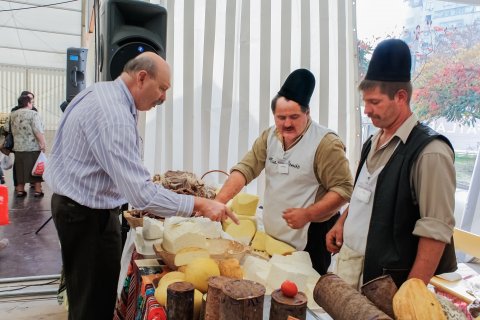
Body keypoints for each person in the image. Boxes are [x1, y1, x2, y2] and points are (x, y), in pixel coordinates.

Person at [44, 52, 238, 320]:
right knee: (93, 305)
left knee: (87, 296)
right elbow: (141, 194)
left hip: (77, 209)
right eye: (162, 88)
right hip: (87, 217)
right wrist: (199, 205)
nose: (163, 97)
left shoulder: (103, 92)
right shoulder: (114, 115)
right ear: (142, 78)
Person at [326, 39, 457, 289]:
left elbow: (435, 233)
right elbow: (365, 195)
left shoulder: (430, 153)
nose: (366, 110)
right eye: (365, 101)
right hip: (351, 267)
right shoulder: (373, 141)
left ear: (400, 97)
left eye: (374, 102)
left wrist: (409, 296)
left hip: (386, 283)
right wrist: (342, 222)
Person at [215, 69, 353, 275]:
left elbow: (344, 189)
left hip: (311, 237)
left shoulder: (325, 144)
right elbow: (245, 169)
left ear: (308, 113)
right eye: (281, 117)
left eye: (294, 117)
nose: (286, 124)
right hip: (274, 236)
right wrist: (218, 202)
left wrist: (308, 214)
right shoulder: (270, 136)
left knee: (304, 293)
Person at [5, 95, 46, 198]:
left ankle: (20, 190)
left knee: (20, 169)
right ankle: (37, 191)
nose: (32, 104)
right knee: (36, 169)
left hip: (18, 148)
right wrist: (43, 143)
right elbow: (37, 130)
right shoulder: (33, 114)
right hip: (32, 147)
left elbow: (6, 128)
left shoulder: (12, 114)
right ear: (28, 103)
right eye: (31, 102)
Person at [10, 91, 38, 189]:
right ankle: (17, 184)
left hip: (28, 142)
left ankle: (32, 182)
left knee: (31, 163)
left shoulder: (34, 110)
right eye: (30, 99)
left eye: (32, 100)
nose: (31, 102)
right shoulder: (14, 110)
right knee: (18, 165)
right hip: (19, 142)